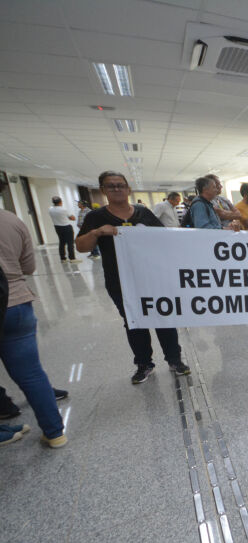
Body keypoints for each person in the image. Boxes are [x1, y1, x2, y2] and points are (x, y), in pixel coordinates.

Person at [75, 171, 191, 384]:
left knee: (164, 318)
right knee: (134, 322)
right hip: (120, 282)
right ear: (103, 190)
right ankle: (144, 364)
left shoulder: (143, 213)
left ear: (128, 189)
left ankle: (175, 359)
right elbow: (81, 246)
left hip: (152, 278)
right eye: (111, 186)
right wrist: (97, 233)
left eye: (120, 185)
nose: (117, 189)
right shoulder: (96, 217)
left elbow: (164, 239)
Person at [0, 209, 68, 447]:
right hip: (15, 301)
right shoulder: (12, 221)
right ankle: (55, 432)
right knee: (31, 373)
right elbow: (28, 267)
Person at [49, 196, 79, 264]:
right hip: (66, 227)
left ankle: (63, 259)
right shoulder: (63, 209)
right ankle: (72, 258)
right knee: (70, 243)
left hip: (57, 227)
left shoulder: (50, 209)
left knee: (62, 243)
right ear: (60, 202)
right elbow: (73, 218)